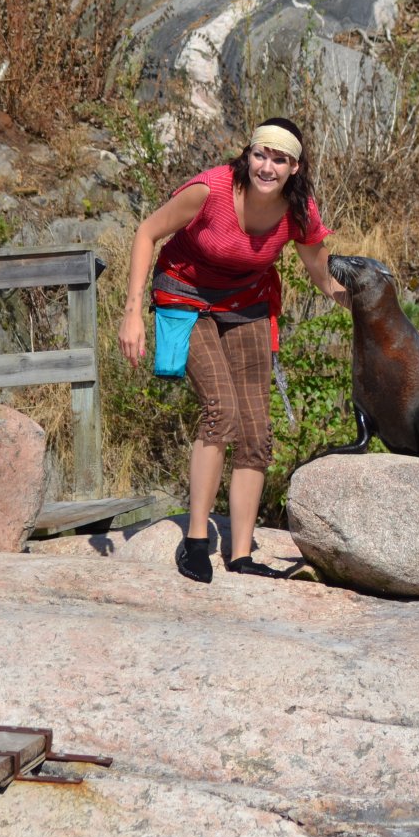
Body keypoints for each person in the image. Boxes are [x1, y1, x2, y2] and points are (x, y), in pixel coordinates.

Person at [118, 118, 346, 582]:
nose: (267, 166)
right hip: (185, 294)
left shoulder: (298, 211)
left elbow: (326, 280)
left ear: (295, 168)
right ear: (248, 154)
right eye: (260, 154)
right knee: (220, 411)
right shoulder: (211, 190)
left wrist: (386, 321)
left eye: (279, 159)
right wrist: (132, 312)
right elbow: (147, 232)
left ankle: (241, 555)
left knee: (257, 430)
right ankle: (197, 540)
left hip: (247, 303)